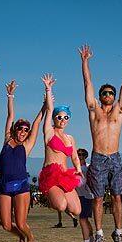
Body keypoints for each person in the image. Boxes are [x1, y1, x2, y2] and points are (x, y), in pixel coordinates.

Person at [79, 45, 122, 242]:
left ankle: (118, 231)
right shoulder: (94, 111)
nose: (109, 95)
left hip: (116, 158)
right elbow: (88, 83)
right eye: (105, 93)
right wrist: (85, 61)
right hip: (99, 157)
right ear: (100, 96)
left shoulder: (120, 110)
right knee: (99, 198)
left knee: (118, 196)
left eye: (111, 93)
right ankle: (100, 234)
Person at [0, 80, 44, 242]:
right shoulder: (7, 140)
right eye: (20, 129)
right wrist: (10, 96)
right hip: (4, 186)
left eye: (26, 129)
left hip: (21, 186)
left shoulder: (27, 145)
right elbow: (10, 116)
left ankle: (30, 236)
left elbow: (37, 123)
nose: (23, 132)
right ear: (15, 129)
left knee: (22, 222)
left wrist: (45, 105)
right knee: (6, 225)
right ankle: (21, 236)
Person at [38, 73, 82, 218]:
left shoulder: (70, 138)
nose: (62, 120)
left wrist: (78, 169)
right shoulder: (49, 132)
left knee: (77, 210)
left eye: (65, 117)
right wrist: (48, 89)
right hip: (51, 174)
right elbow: (49, 109)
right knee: (61, 205)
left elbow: (75, 156)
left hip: (64, 175)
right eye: (59, 117)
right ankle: (50, 199)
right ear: (54, 119)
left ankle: (61, 200)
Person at [75, 148, 95, 242]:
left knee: (82, 219)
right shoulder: (75, 169)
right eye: (78, 154)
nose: (80, 156)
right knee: (85, 219)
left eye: (82, 154)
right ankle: (91, 240)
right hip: (80, 196)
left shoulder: (87, 168)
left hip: (87, 195)